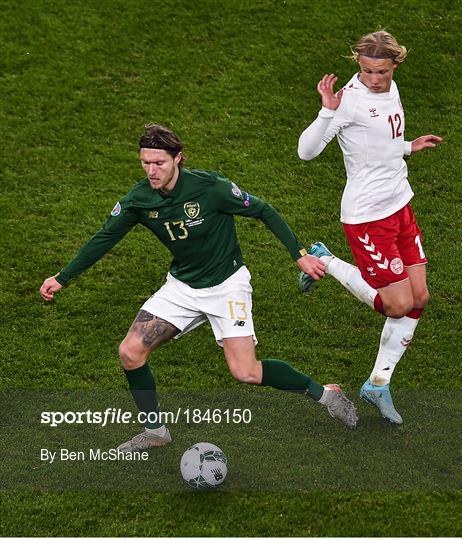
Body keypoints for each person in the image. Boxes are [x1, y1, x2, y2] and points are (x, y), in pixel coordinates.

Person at [40, 124, 358, 452]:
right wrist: (62, 277)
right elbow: (105, 237)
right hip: (182, 287)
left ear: (178, 158)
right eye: (145, 163)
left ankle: (326, 394)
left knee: (246, 372)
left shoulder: (210, 188)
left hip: (227, 287)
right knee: (130, 352)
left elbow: (262, 210)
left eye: (159, 163)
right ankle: (156, 432)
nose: (151, 171)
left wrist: (300, 255)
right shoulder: (139, 199)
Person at [297, 31, 442, 424]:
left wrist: (409, 146)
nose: (372, 79)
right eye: (365, 70)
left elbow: (381, 141)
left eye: (380, 71)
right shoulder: (349, 101)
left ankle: (378, 383)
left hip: (400, 204)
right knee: (397, 304)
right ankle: (326, 261)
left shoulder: (390, 90)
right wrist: (328, 110)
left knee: (420, 298)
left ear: (395, 66)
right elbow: (305, 152)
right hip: (367, 218)